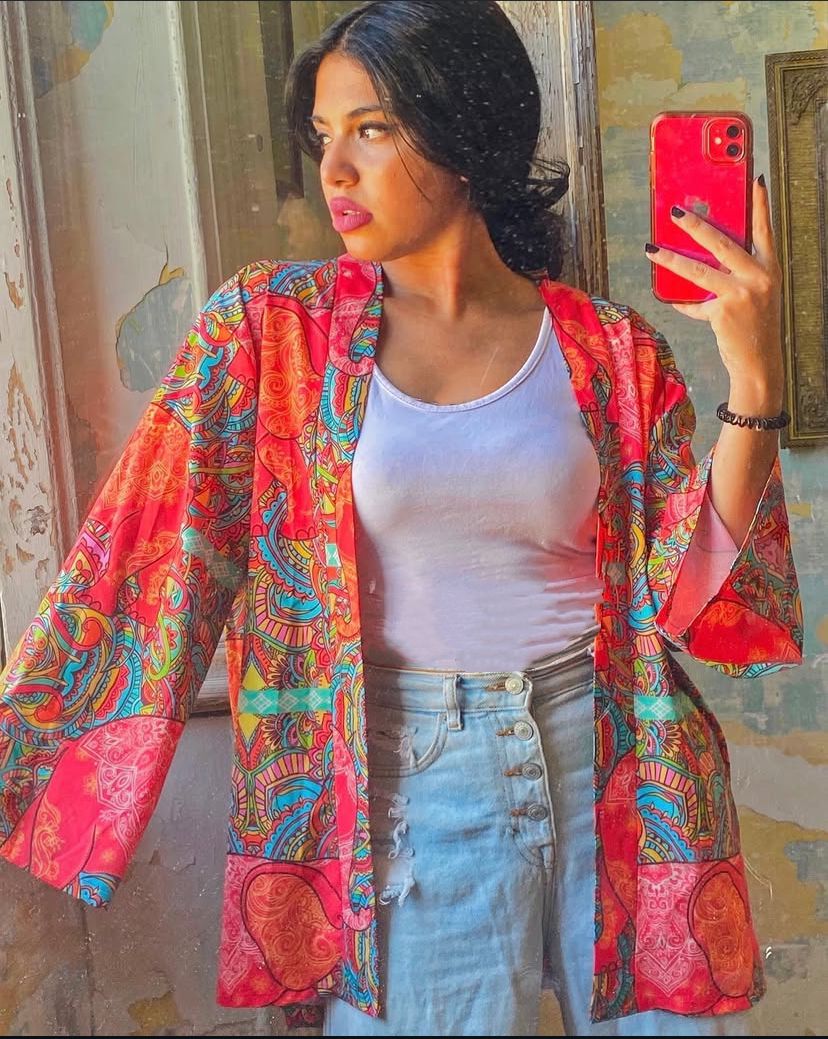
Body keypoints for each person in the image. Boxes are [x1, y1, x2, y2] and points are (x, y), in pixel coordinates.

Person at [0, 2, 802, 1036]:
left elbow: (692, 598)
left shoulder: (608, 349)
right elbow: (140, 564)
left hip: (620, 762)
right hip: (410, 786)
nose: (334, 170)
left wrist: (754, 374)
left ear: (463, 132)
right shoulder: (270, 334)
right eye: (324, 135)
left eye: (371, 129)